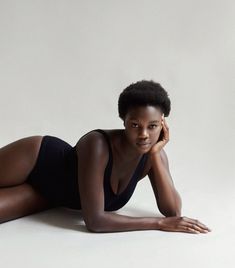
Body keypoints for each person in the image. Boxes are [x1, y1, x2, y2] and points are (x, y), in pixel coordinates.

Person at [0, 80, 211, 234]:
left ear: (163, 125)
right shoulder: (98, 144)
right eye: (135, 125)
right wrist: (157, 224)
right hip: (35, 160)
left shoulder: (153, 156)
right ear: (124, 121)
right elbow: (95, 221)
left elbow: (172, 211)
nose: (144, 134)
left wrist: (155, 154)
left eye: (152, 126)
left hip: (47, 195)